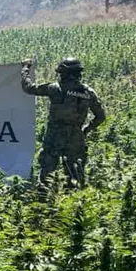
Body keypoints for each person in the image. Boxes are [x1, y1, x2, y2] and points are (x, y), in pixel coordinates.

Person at [21, 57, 105, 187]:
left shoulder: (54, 88)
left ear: (65, 73)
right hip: (76, 137)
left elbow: (28, 88)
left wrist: (25, 68)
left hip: (54, 136)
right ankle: (74, 203)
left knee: (47, 175)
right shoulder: (88, 93)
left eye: (61, 73)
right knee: (75, 175)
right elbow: (100, 116)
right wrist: (86, 130)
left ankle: (43, 200)